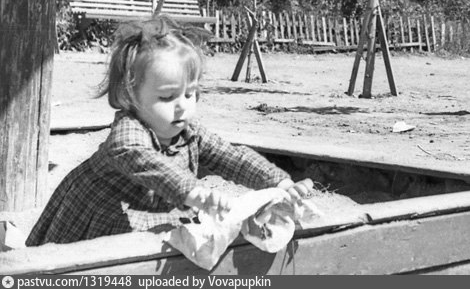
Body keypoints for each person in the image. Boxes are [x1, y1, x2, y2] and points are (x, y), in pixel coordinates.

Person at [26, 15, 309, 246]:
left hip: (154, 213)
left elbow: (233, 157)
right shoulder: (128, 132)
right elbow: (145, 160)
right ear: (130, 95)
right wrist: (194, 192)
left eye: (189, 94)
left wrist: (278, 182)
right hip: (103, 212)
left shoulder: (190, 134)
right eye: (166, 97)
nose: (181, 106)